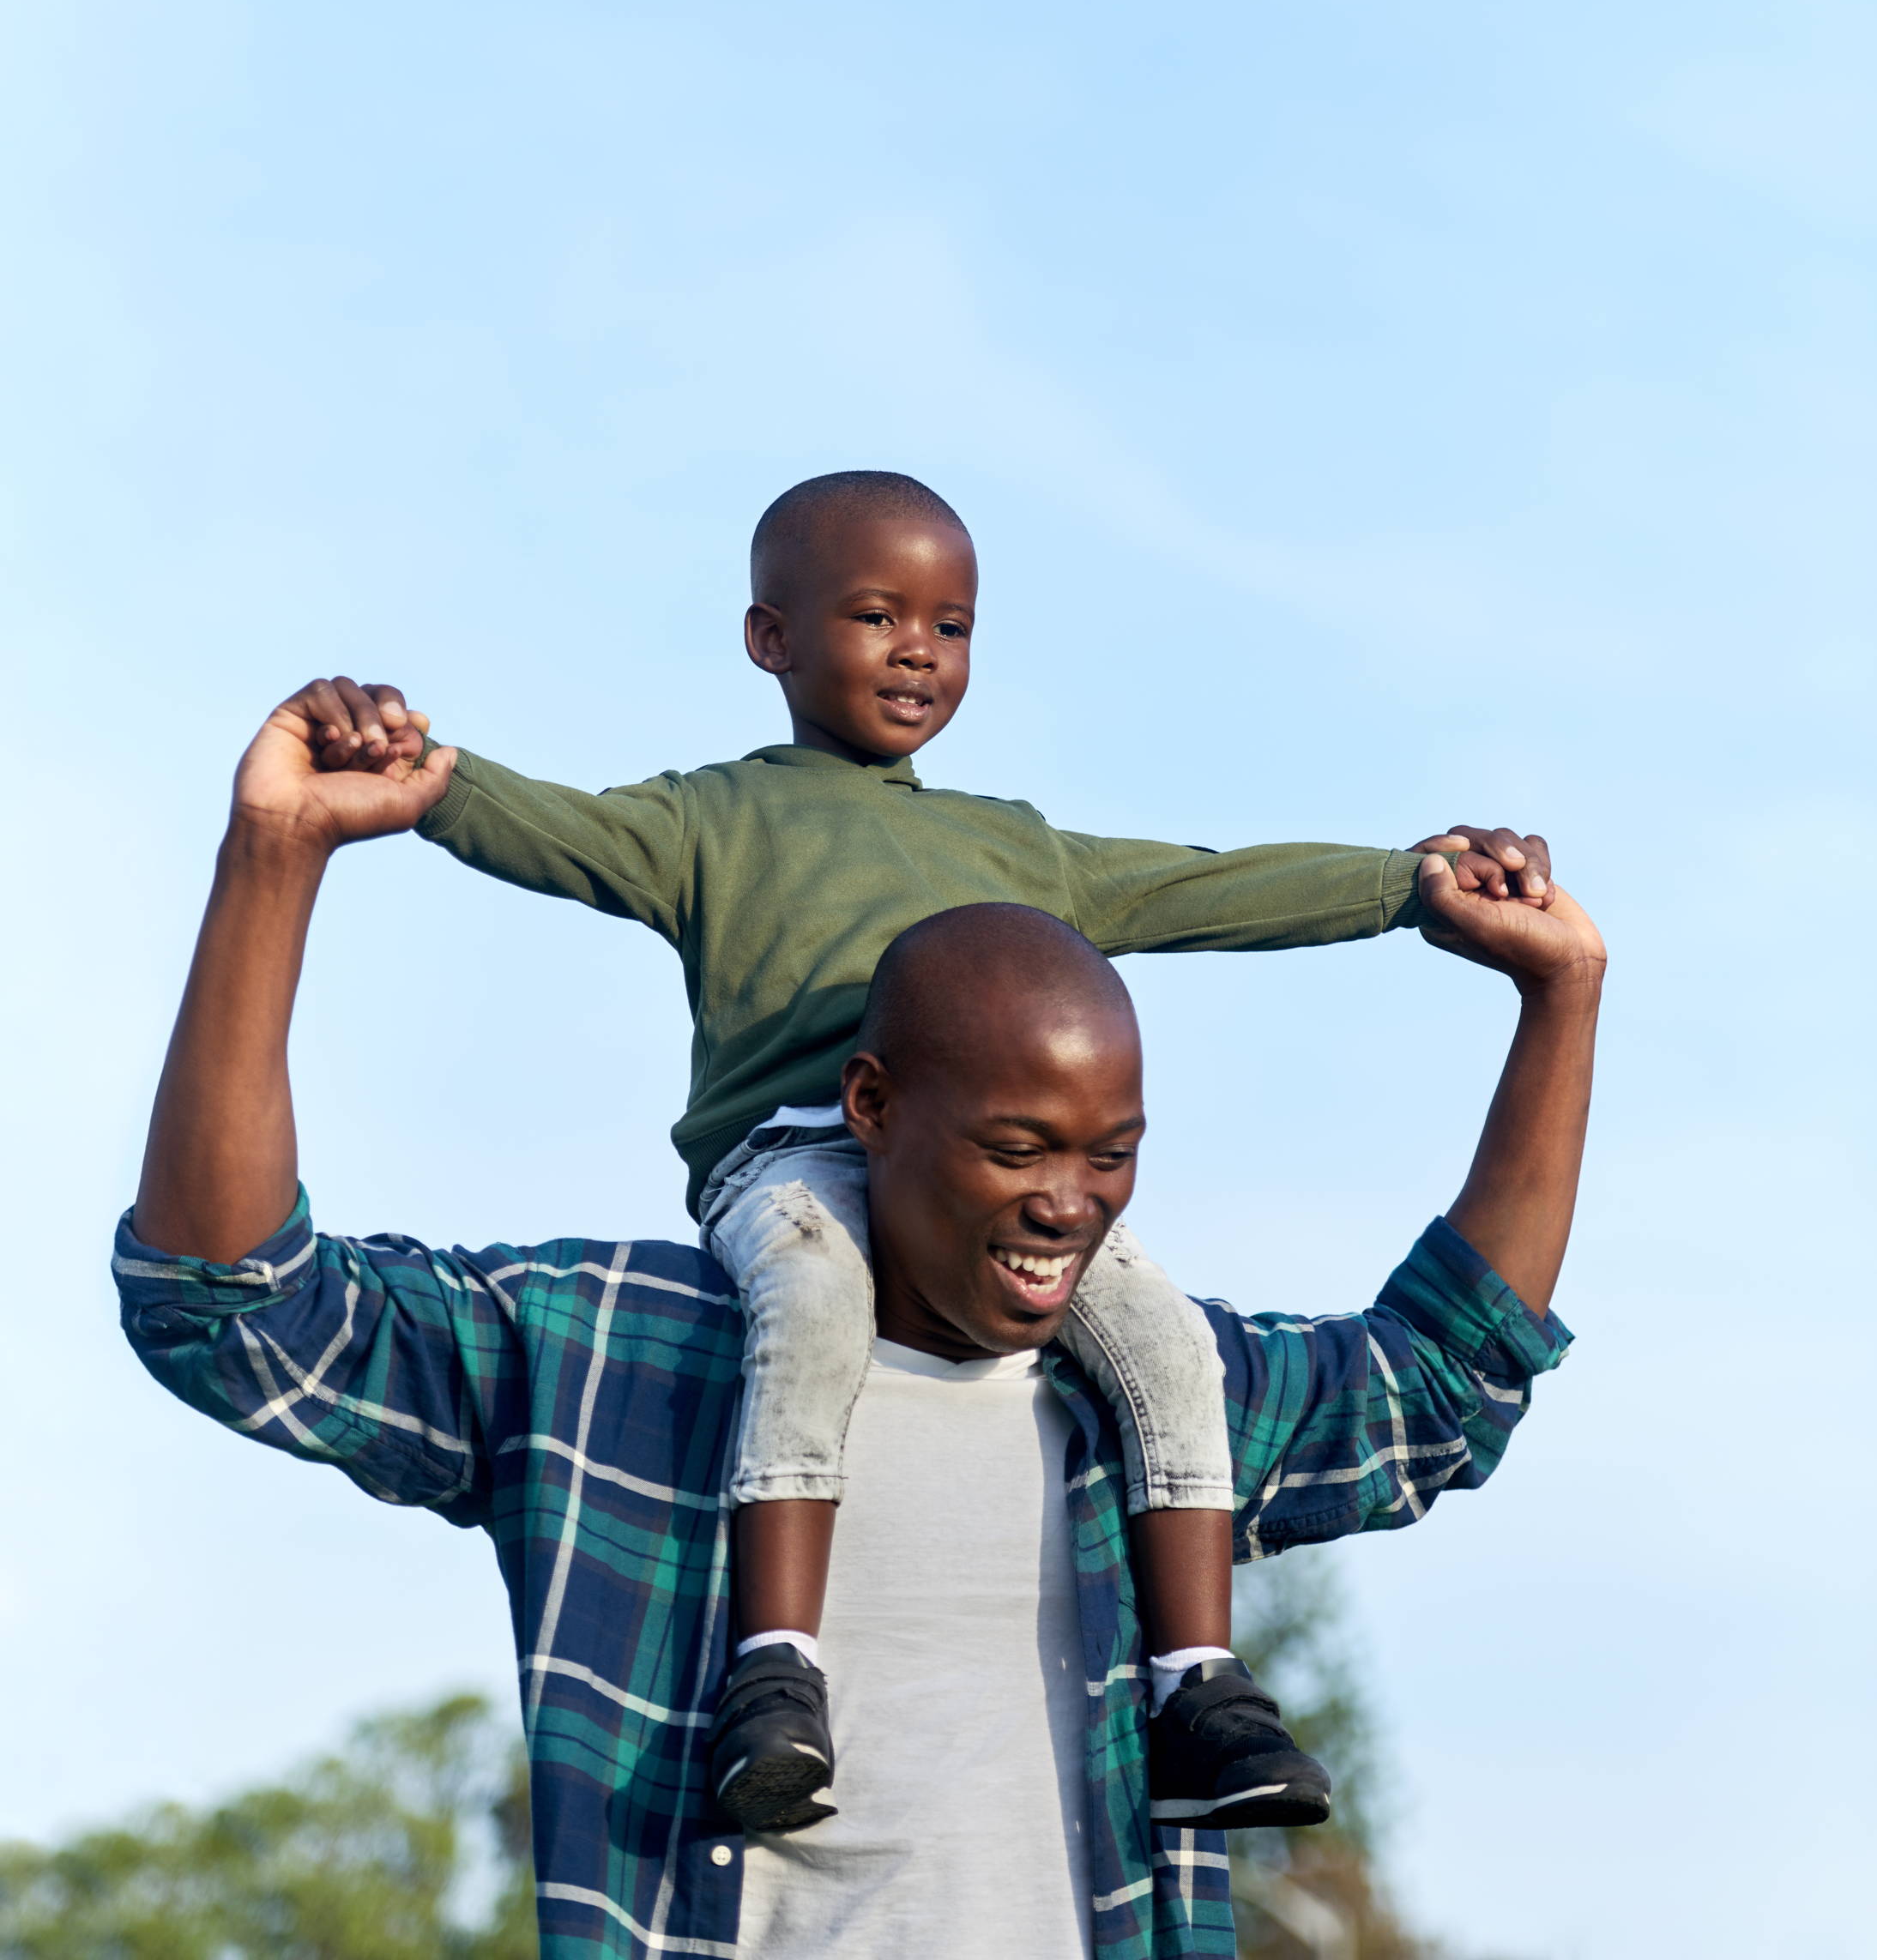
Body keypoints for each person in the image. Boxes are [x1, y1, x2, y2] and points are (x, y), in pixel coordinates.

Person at [118, 696, 1597, 1960]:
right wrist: (277, 856)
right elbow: (233, 1308)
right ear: (875, 1111)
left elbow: (1439, 1385)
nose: (1067, 1207)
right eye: (1015, 1150)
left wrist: (1560, 998)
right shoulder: (612, 1360)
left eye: (1109, 1157)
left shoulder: (1161, 1403)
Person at [272, 468, 1556, 1833]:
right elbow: (558, 829)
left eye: (951, 627)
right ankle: (775, 1669)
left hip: (992, 1187)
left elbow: (1197, 884)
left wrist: (1401, 885)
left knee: (1168, 1340)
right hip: (797, 1166)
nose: (916, 652)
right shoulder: (715, 819)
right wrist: (406, 770)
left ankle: (1198, 1684)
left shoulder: (1010, 847)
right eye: (877, 615)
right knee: (815, 1305)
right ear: (772, 639)